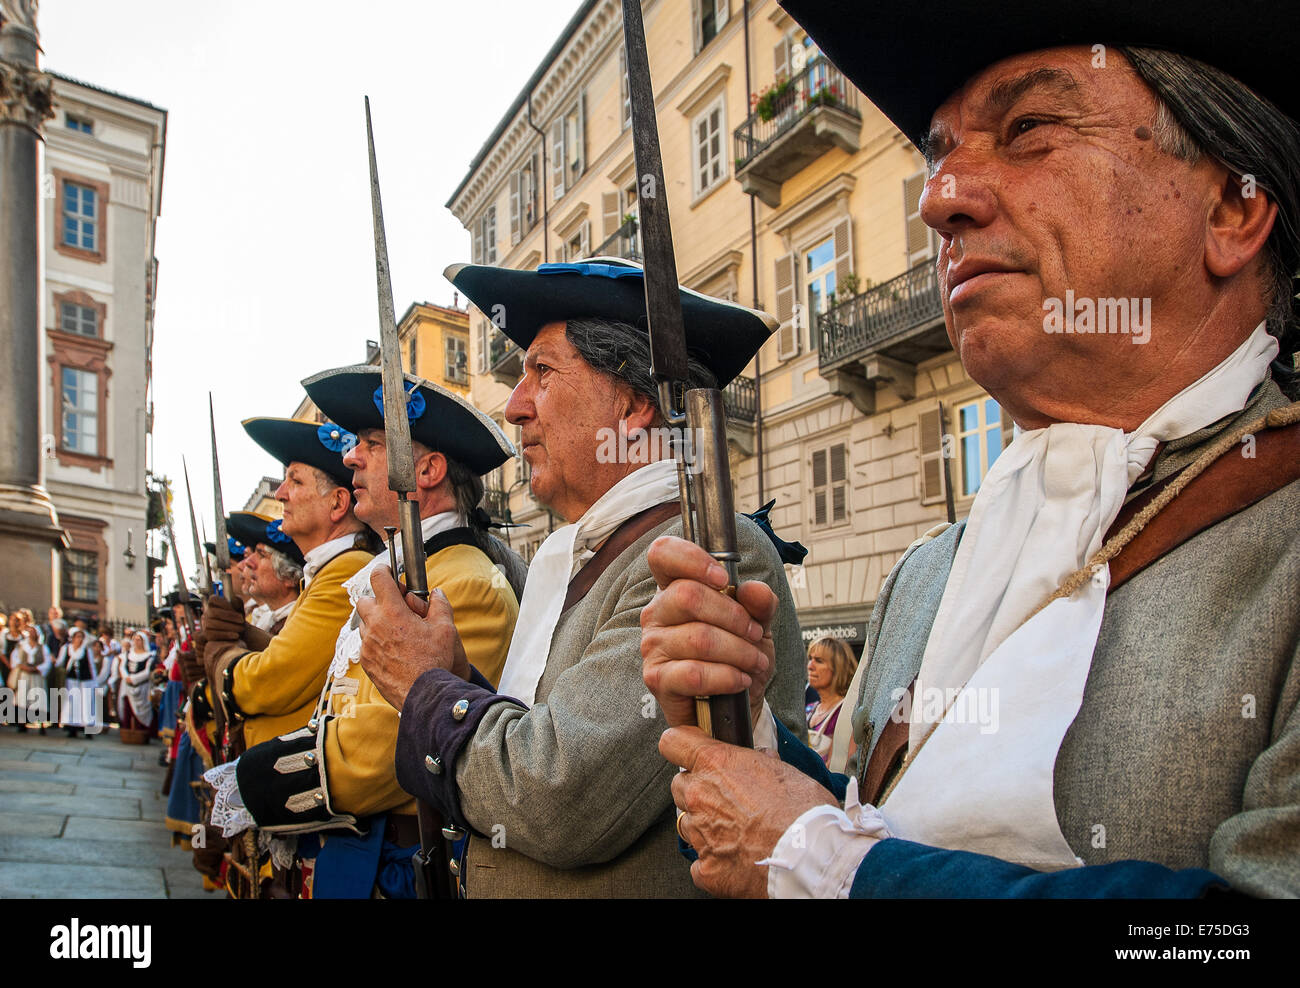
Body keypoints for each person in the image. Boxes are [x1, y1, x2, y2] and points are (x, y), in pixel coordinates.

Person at [638, 0, 1300, 899]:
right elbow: (876, 822)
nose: (939, 198)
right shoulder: (928, 572)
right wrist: (744, 730)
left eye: (1028, 128)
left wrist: (820, 866)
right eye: (938, 153)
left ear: (1233, 206)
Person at [356, 258, 808, 898]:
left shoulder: (694, 550)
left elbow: (558, 796)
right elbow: (541, 734)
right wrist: (453, 678)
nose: (515, 408)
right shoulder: (594, 550)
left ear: (633, 406)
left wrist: (425, 689)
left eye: (541, 372)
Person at [209, 366, 523, 898]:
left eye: (372, 444)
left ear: (427, 470)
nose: (351, 456)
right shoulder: (404, 572)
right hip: (360, 856)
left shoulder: (467, 583)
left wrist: (248, 783)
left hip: (398, 867)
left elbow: (385, 749)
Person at [197, 417, 377, 752]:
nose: (280, 494)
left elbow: (272, 680)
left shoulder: (347, 570)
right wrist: (240, 630)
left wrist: (221, 655)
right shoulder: (330, 569)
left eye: (294, 481)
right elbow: (292, 655)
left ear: (338, 503)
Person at [227, 512, 303, 634]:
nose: (247, 563)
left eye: (261, 555)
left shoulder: (299, 623)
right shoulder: (273, 622)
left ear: (290, 577)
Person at [804, 637, 857, 767]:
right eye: (810, 659)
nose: (810, 666)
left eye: (819, 661)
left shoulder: (847, 711)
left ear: (838, 668)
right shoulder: (809, 708)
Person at [60, 627, 106, 738]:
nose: (79, 639)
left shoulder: (86, 650)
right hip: (71, 681)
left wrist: (94, 681)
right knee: (72, 704)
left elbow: (91, 666)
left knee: (86, 705)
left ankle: (88, 729)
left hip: (85, 681)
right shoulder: (67, 649)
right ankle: (72, 728)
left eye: (81, 637)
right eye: (77, 637)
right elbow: (60, 662)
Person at [8, 625, 50, 733]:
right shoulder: (21, 645)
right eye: (30, 632)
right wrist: (22, 666)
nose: (31, 634)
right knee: (23, 699)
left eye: (34, 632)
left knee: (38, 698)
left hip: (37, 676)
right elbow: (15, 657)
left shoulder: (42, 647)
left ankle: (41, 724)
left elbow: (47, 662)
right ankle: (22, 723)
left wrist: (37, 668)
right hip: (24, 675)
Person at [117, 632, 157, 740]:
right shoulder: (128, 654)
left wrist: (134, 679)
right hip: (127, 686)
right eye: (135, 639)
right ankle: (128, 732)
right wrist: (126, 677)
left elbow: (147, 672)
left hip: (142, 687)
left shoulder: (149, 655)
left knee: (142, 710)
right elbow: (122, 667)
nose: (136, 642)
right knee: (128, 708)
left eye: (139, 640)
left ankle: (141, 733)